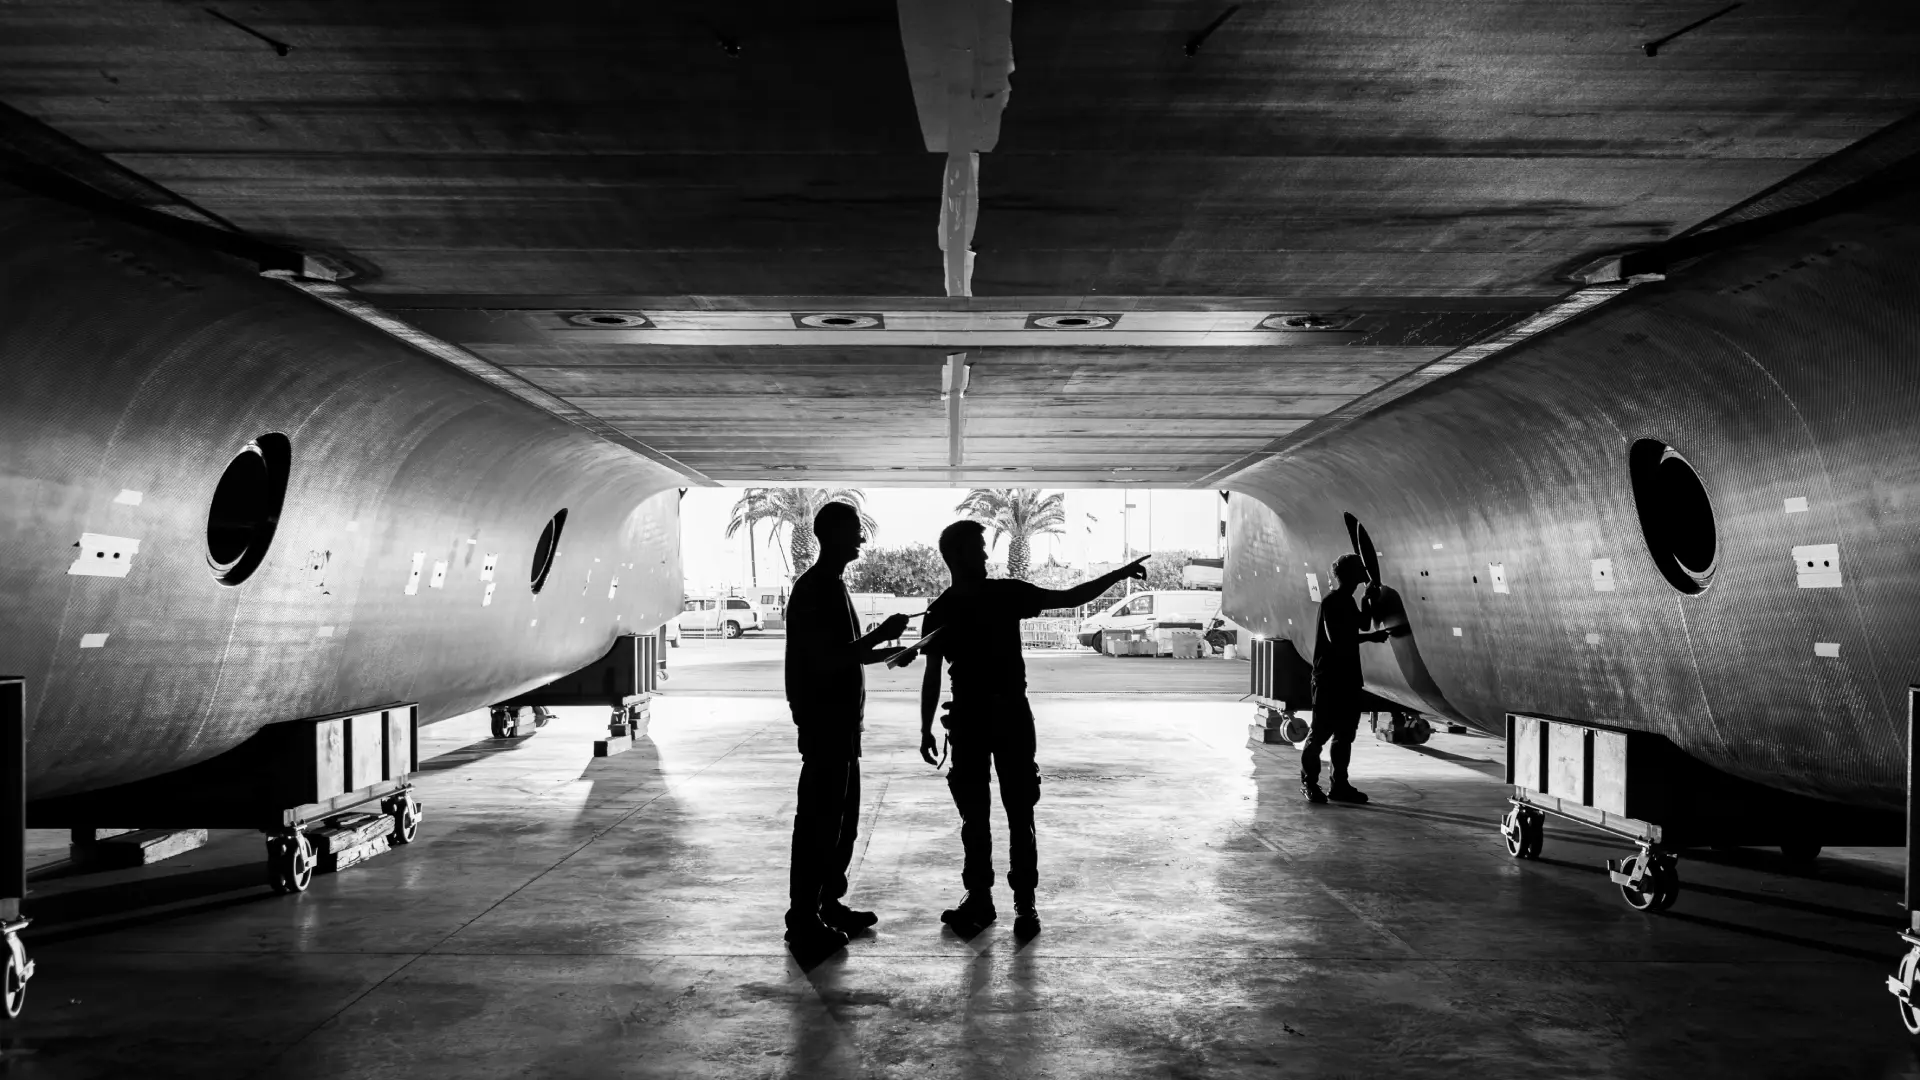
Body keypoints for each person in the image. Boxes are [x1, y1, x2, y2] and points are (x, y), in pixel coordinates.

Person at [912, 520, 1147, 939]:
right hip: (997, 719)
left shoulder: (953, 606)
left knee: (994, 813)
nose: (986, 554)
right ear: (958, 555)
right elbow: (1069, 597)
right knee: (1001, 813)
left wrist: (927, 728)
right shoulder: (987, 599)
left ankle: (1001, 902)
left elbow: (1070, 597)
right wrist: (925, 727)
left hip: (980, 719)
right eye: (978, 548)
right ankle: (1009, 904)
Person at [782, 502, 912, 959]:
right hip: (824, 726)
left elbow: (846, 653)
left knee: (842, 823)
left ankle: (827, 904)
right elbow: (830, 657)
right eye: (855, 530)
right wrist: (882, 635)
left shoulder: (832, 586)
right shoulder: (815, 588)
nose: (862, 539)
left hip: (842, 728)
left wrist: (891, 651)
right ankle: (803, 919)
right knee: (819, 823)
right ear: (832, 534)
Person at [1302, 552, 1390, 805]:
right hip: (1329, 678)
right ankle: (1310, 784)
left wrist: (1366, 600)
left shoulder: (1348, 600)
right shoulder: (1332, 602)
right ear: (1351, 574)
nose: (1364, 572)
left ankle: (1339, 785)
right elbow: (1338, 639)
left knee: (1344, 734)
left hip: (1348, 678)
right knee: (1320, 734)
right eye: (1360, 569)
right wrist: (1372, 638)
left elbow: (1363, 624)